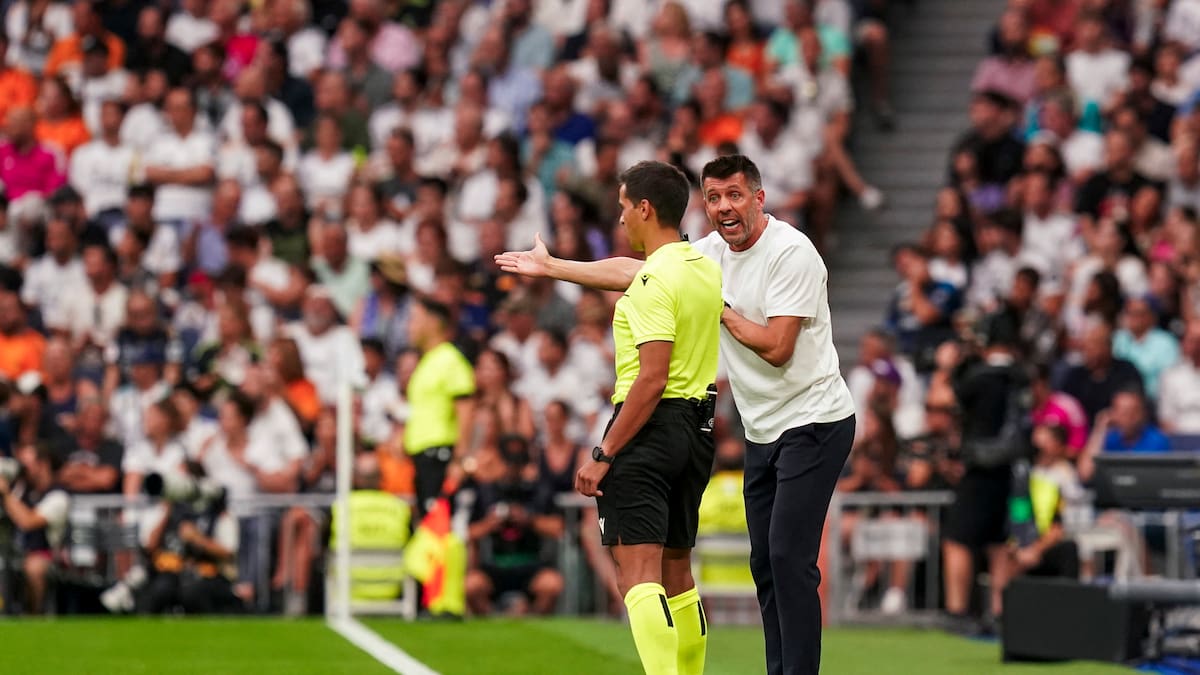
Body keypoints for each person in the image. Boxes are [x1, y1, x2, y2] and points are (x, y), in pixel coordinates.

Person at [498, 154, 855, 675]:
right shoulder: (705, 255)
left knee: (785, 557)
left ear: (759, 199)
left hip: (814, 419)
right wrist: (554, 268)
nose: (724, 207)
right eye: (713, 197)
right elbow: (639, 271)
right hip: (760, 426)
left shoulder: (791, 252)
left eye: (735, 195)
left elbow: (778, 347)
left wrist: (718, 306)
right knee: (763, 563)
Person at [404, 295, 476, 515]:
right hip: (424, 456)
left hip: (440, 456)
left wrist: (459, 459)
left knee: (439, 526)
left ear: (433, 322)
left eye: (414, 319)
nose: (409, 327)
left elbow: (466, 409)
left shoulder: (450, 360)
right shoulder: (428, 361)